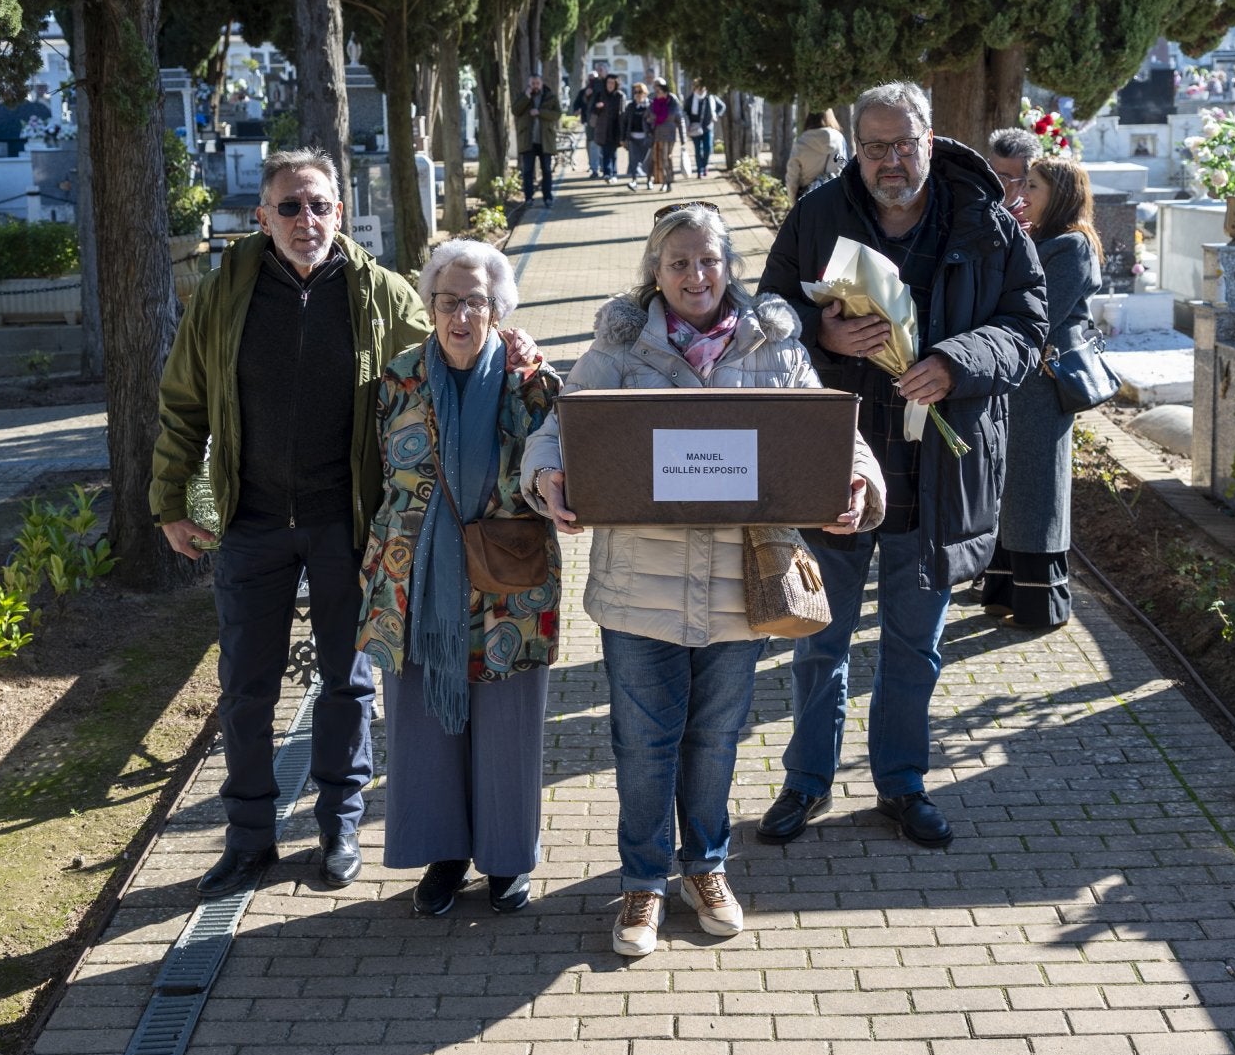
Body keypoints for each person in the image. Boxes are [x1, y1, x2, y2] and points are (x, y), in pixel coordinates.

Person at [151, 147, 533, 900]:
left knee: (346, 685)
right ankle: (248, 838)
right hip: (251, 521)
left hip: (347, 522)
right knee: (246, 689)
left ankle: (339, 828)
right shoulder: (224, 294)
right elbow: (183, 402)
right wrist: (172, 499)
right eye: (289, 207)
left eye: (319, 205)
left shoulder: (380, 292)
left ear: (340, 211)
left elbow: (451, 349)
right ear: (262, 217)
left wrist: (513, 346)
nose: (306, 220)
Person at [524, 204, 887, 958]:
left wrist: (858, 481)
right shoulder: (620, 348)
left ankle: (706, 868)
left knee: (716, 740)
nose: (697, 276)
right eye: (679, 262)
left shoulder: (773, 345)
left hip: (739, 589)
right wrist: (547, 474)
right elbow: (558, 429)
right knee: (643, 745)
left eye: (710, 260)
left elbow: (835, 433)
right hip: (639, 589)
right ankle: (643, 881)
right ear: (655, 271)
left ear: (729, 266)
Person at [755, 81, 1048, 850]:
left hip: (937, 471)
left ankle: (901, 782)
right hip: (836, 465)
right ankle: (806, 780)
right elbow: (767, 313)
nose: (892, 160)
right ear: (857, 149)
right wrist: (820, 334)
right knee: (819, 638)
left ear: (930, 138)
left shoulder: (984, 218)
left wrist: (956, 362)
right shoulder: (819, 214)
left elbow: (1027, 324)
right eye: (876, 146)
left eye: (904, 144)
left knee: (914, 645)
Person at [358, 239, 562, 917]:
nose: (462, 316)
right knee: (422, 724)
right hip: (415, 579)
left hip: (509, 581)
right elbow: (377, 476)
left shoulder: (532, 380)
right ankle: (443, 856)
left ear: (498, 308)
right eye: (449, 301)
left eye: (477, 301)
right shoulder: (400, 378)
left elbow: (561, 461)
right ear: (431, 306)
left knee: (508, 723)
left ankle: (506, 859)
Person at [977, 159, 1103, 630]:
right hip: (1018, 381)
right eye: (1024, 184)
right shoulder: (1038, 238)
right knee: (1011, 488)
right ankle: (1004, 590)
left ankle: (1042, 606)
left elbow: (1040, 316)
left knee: (1038, 491)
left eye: (1033, 186)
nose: (1023, 193)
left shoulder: (1073, 246)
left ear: (1061, 194)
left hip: (1044, 386)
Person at [512, 73, 561, 208]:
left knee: (547, 170)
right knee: (528, 171)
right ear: (529, 84)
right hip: (528, 140)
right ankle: (528, 198)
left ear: (541, 83)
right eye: (532, 84)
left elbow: (557, 114)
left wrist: (540, 112)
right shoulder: (523, 96)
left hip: (545, 140)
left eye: (537, 83)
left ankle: (548, 197)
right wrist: (526, 97)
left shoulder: (550, 97)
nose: (535, 86)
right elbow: (515, 111)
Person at [784, 110, 848, 201]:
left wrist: (794, 202)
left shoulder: (801, 142)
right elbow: (844, 168)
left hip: (808, 199)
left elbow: (792, 178)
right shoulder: (839, 139)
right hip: (834, 197)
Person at [986, 127, 1044, 226]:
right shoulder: (965, 200)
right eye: (989, 170)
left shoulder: (1025, 228)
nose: (990, 181)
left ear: (1024, 184)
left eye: (1002, 178)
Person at [683, 80, 727, 178]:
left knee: (708, 148)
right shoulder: (690, 100)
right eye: (699, 88)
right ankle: (700, 170)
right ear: (695, 88)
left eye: (702, 88)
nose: (701, 90)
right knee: (698, 150)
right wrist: (687, 125)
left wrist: (716, 115)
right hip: (695, 129)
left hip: (708, 127)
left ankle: (705, 165)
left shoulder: (710, 98)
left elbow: (722, 106)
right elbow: (685, 112)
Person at [647, 78, 683, 193]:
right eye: (655, 89)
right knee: (659, 158)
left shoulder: (672, 101)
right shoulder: (654, 101)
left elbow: (678, 118)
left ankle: (668, 180)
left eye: (659, 90)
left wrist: (683, 139)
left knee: (666, 157)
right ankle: (664, 181)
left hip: (670, 135)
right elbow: (647, 116)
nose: (656, 92)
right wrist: (649, 127)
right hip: (657, 135)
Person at [592, 73, 626, 184]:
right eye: (608, 82)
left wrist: (623, 130)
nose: (610, 85)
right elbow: (593, 110)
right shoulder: (600, 94)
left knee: (613, 152)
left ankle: (614, 173)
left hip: (615, 128)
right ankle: (607, 173)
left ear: (616, 84)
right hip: (603, 128)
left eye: (612, 83)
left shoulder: (620, 96)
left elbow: (622, 113)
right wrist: (597, 107)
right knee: (606, 151)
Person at [622, 82, 654, 189]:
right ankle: (634, 181)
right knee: (633, 161)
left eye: (640, 92)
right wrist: (623, 138)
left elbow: (655, 121)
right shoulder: (631, 106)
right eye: (635, 92)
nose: (637, 94)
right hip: (633, 138)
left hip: (647, 138)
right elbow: (625, 122)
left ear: (645, 93)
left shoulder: (650, 105)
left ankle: (649, 181)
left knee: (648, 161)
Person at [575, 73, 602, 179]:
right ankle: (593, 167)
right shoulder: (583, 91)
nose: (592, 81)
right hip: (588, 122)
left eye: (594, 79)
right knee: (591, 144)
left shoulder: (601, 91)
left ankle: (601, 166)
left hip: (601, 122)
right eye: (590, 79)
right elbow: (577, 103)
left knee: (601, 145)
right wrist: (585, 96)